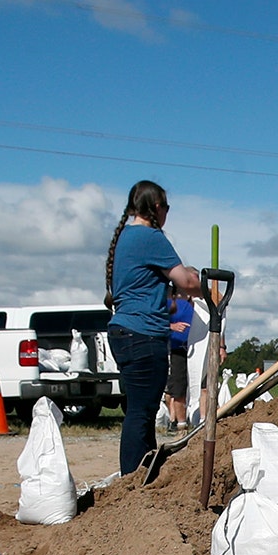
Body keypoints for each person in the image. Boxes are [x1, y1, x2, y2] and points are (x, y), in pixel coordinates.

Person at [104, 180, 201, 474]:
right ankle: (132, 477)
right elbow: (185, 281)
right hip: (143, 334)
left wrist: (166, 302)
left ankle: (143, 473)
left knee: (141, 410)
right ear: (157, 207)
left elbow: (137, 290)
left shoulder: (125, 237)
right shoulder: (150, 237)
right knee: (141, 412)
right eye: (167, 208)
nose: (167, 214)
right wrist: (202, 284)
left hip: (126, 331)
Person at [163, 295, 194, 433]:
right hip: (175, 349)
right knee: (176, 387)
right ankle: (175, 420)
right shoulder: (169, 302)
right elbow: (157, 320)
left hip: (193, 348)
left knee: (191, 385)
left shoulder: (197, 304)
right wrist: (171, 326)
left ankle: (183, 419)